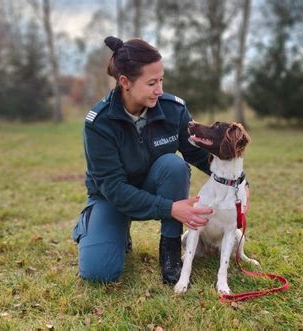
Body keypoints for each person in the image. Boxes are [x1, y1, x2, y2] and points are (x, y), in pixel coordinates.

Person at [71, 36, 214, 284]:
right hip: (111, 199)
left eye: (161, 80)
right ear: (125, 82)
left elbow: (197, 154)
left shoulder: (174, 109)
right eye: (151, 83)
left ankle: (169, 253)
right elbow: (113, 188)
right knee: (98, 273)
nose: (159, 89)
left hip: (152, 184)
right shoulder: (99, 122)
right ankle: (100, 227)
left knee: (174, 165)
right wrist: (171, 208)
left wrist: (238, 181)